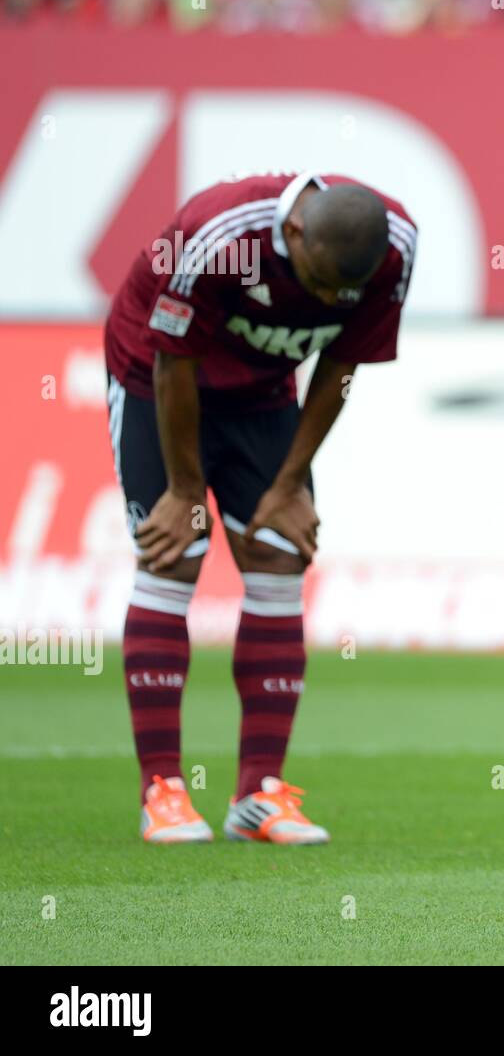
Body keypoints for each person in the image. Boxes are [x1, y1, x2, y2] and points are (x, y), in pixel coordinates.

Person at [103, 172, 417, 844]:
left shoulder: (394, 250)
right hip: (157, 377)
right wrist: (187, 492)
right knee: (175, 552)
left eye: (344, 292)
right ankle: (161, 789)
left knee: (279, 551)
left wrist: (292, 481)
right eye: (321, 282)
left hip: (263, 393)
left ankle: (258, 795)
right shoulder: (221, 235)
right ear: (295, 232)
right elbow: (172, 364)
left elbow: (340, 365)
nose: (332, 300)